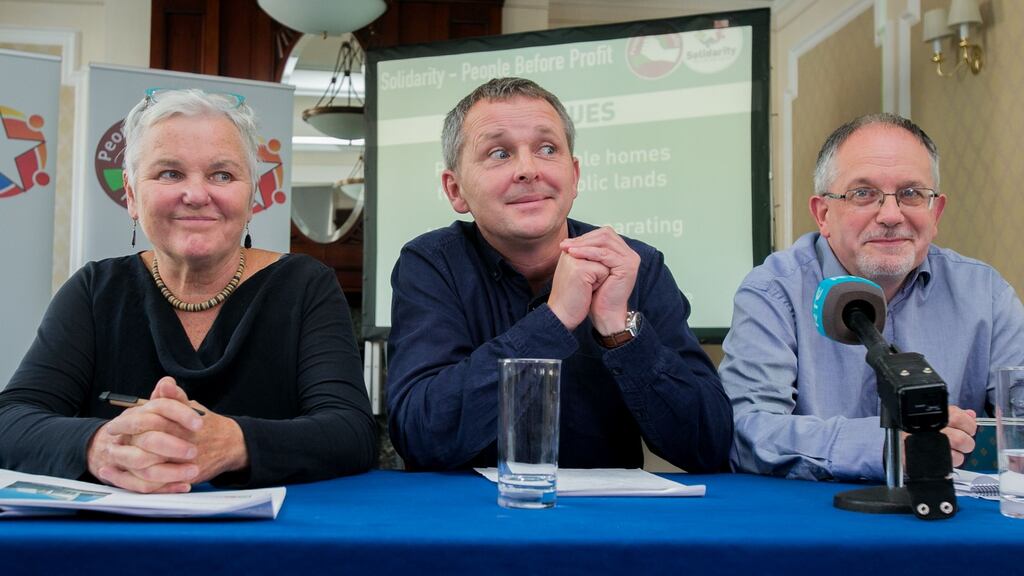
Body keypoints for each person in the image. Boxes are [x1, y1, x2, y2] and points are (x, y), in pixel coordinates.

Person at [0, 89, 376, 492]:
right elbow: (11, 420)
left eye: (222, 175)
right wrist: (101, 446)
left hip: (272, 543)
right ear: (130, 195)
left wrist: (233, 443)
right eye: (169, 173)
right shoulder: (94, 290)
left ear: (253, 197)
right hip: (114, 541)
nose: (196, 195)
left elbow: (351, 431)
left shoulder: (305, 286)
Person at [386, 77, 732, 471]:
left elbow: (710, 445)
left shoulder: (636, 265)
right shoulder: (432, 264)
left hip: (602, 525)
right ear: (455, 190)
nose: (528, 170)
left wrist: (621, 334)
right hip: (471, 522)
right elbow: (421, 435)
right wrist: (553, 321)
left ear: (574, 175)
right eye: (499, 153)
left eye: (547, 149)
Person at [720, 113, 1024, 482]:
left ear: (936, 211)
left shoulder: (985, 294)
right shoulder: (774, 291)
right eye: (864, 194)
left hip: (948, 520)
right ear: (823, 214)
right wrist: (886, 447)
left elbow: (1018, 420)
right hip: (816, 525)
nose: (892, 215)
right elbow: (747, 430)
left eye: (912, 193)